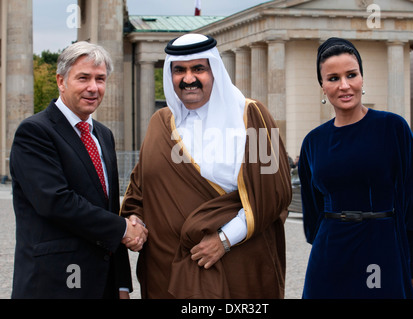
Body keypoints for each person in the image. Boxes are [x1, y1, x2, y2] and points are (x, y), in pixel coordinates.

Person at [120, 33, 292, 298]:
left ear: (215, 71)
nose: (188, 78)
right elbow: (140, 191)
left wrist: (224, 240)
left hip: (236, 264)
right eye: (179, 70)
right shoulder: (160, 123)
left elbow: (273, 192)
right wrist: (134, 221)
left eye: (198, 68)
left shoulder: (252, 117)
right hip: (165, 270)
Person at [298, 37, 413, 299]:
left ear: (362, 78)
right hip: (329, 257)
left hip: (381, 251)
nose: (344, 85)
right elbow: (312, 211)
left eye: (352, 74)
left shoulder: (392, 128)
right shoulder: (313, 142)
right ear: (322, 86)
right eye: (333, 78)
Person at [10, 41, 148, 299]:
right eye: (83, 78)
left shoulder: (103, 136)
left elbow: (109, 209)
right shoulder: (35, 132)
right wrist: (123, 228)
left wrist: (121, 284)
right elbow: (55, 201)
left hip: (102, 286)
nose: (93, 88)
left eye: (100, 79)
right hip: (54, 284)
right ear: (61, 81)